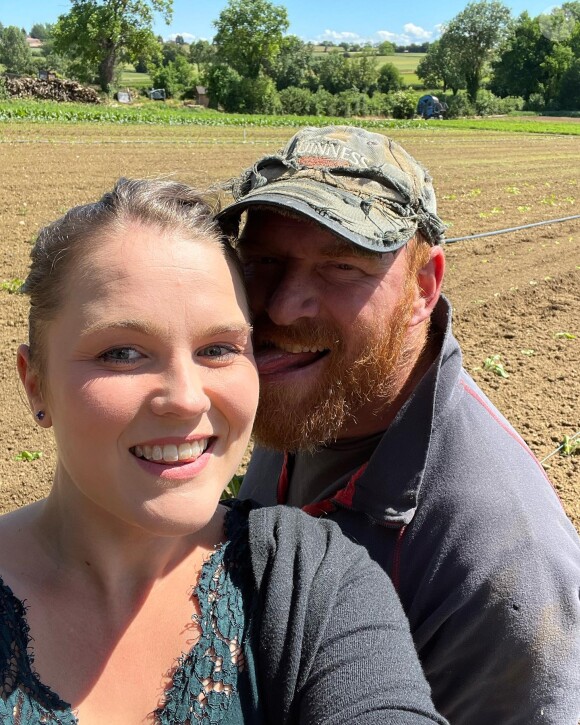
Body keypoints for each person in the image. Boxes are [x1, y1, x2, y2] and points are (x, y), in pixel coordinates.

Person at [0, 178, 449, 725]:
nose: (187, 400)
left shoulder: (316, 586)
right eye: (121, 352)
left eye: (218, 349)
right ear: (35, 384)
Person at [217, 126, 580, 724]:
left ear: (424, 287)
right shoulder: (304, 400)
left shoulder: (498, 569)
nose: (282, 306)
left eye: (340, 266)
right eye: (262, 261)